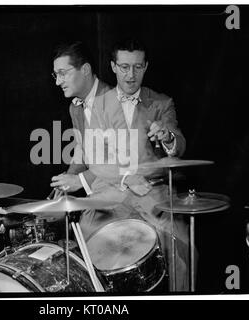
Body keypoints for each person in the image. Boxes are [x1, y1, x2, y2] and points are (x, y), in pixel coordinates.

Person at [78, 38, 190, 292]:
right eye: (125, 67)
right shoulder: (98, 106)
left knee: (183, 244)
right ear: (114, 66)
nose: (131, 75)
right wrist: (125, 179)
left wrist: (168, 137)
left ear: (146, 67)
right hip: (112, 191)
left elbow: (179, 143)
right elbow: (95, 159)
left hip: (154, 193)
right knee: (86, 234)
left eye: (138, 67)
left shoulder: (162, 103)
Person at [50, 41, 111, 196]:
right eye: (56, 75)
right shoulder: (75, 108)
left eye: (63, 73)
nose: (58, 82)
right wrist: (66, 181)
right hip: (100, 194)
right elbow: (81, 153)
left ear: (85, 69)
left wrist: (80, 181)